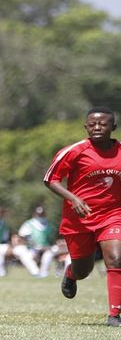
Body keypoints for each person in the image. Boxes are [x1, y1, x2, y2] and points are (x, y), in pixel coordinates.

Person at [44, 107, 121, 327]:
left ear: (113, 127)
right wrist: (74, 199)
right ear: (86, 127)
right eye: (92, 124)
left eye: (103, 124)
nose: (97, 127)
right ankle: (70, 273)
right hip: (79, 219)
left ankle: (114, 315)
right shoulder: (74, 151)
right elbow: (51, 179)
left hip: (113, 215)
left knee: (116, 258)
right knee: (83, 269)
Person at [17, 206, 59, 278]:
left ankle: (44, 273)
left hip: (47, 248)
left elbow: (54, 239)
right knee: (23, 253)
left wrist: (48, 246)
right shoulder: (29, 224)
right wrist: (32, 244)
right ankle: (35, 272)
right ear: (34, 214)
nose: (40, 216)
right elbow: (22, 236)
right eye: (38, 214)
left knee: (49, 254)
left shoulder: (49, 225)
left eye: (42, 214)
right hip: (32, 248)